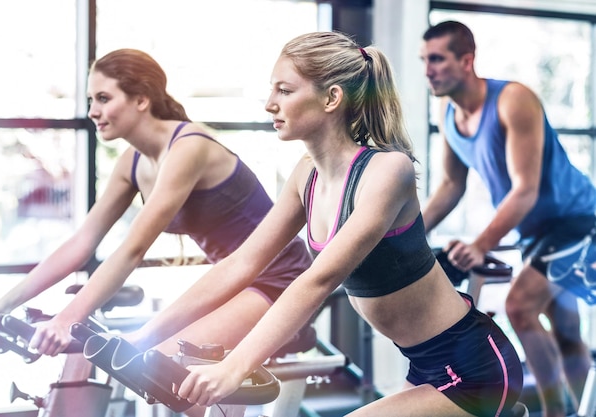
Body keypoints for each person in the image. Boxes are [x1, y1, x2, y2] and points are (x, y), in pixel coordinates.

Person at [163, 31, 523, 417]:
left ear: (332, 98)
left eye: (284, 90)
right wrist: (148, 337)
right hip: (425, 367)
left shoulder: (388, 170)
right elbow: (242, 263)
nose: (270, 104)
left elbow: (318, 279)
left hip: (475, 368)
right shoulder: (306, 176)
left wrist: (236, 367)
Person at [0, 49, 313, 415]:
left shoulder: (189, 148)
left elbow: (132, 249)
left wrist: (68, 318)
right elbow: (81, 243)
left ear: (140, 99)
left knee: (165, 365)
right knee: (160, 369)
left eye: (104, 98)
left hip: (279, 278)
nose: (92, 111)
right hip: (232, 282)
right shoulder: (132, 163)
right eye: (91, 99)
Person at [420, 20, 596, 417]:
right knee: (566, 334)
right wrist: (405, 235)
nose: (428, 69)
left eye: (436, 59)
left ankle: (558, 412)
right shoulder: (449, 112)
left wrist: (480, 243)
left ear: (467, 61)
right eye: (423, 60)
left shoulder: (512, 100)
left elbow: (525, 189)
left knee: (520, 306)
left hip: (578, 221)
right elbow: (450, 185)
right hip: (537, 232)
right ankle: (583, 408)